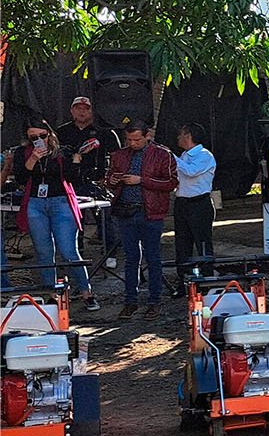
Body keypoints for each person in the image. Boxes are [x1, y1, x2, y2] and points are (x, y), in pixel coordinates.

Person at [4, 121, 97, 310]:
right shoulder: (24, 153)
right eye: (33, 138)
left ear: (50, 134)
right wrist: (32, 160)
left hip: (60, 201)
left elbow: (73, 178)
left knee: (68, 250)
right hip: (36, 203)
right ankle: (52, 293)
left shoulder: (63, 151)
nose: (39, 140)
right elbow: (21, 179)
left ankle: (86, 291)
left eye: (42, 136)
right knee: (44, 251)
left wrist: (77, 159)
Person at [107, 121, 178, 318]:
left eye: (137, 139)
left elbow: (171, 182)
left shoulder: (162, 154)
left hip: (150, 212)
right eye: (129, 139)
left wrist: (142, 180)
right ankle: (131, 301)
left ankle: (154, 301)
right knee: (131, 259)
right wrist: (112, 180)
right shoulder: (120, 155)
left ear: (147, 136)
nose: (132, 143)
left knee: (153, 257)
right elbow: (109, 178)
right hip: (126, 211)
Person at [171, 122, 218, 288]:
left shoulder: (204, 155)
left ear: (188, 136)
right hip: (182, 203)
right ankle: (184, 282)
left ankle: (208, 282)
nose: (178, 138)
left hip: (199, 204)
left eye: (181, 134)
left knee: (203, 243)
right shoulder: (184, 155)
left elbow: (191, 171)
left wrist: (171, 157)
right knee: (182, 244)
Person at [54, 96, 119, 193]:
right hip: (67, 182)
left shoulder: (105, 131)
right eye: (78, 108)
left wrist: (108, 177)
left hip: (96, 182)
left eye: (86, 108)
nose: (82, 112)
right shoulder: (62, 131)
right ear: (71, 110)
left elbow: (117, 157)